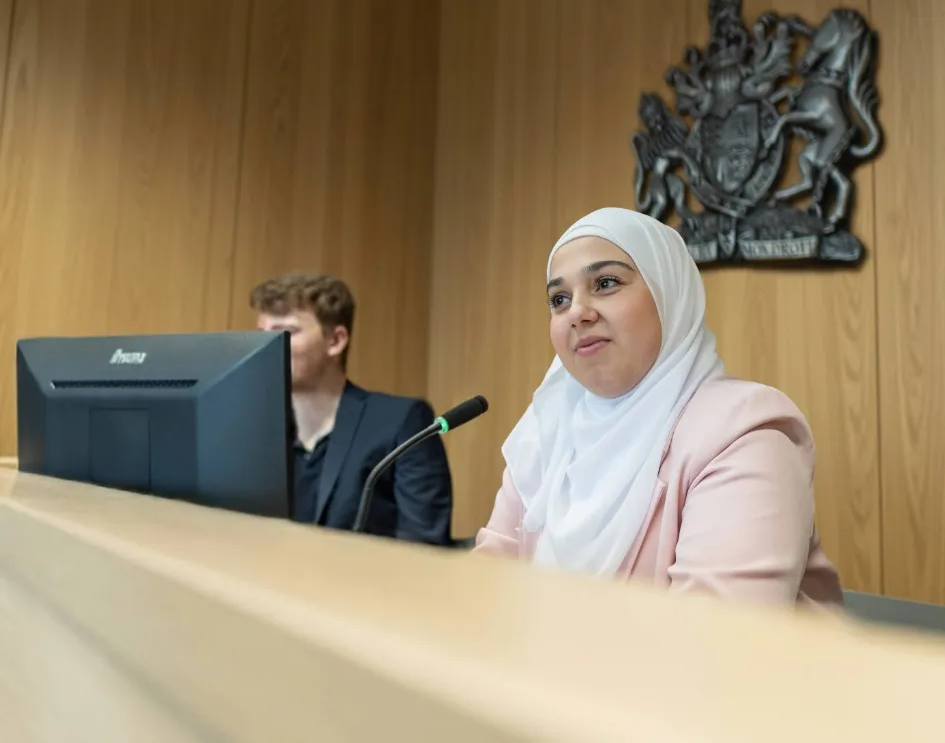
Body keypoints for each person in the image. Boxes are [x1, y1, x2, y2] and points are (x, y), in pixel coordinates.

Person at [474, 207, 842, 606]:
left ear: (669, 294)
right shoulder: (546, 435)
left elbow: (719, 644)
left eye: (606, 282)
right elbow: (486, 593)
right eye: (559, 299)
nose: (577, 312)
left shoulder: (743, 437)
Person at [251, 273, 453, 546]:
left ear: (335, 340)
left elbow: (424, 547)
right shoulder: (256, 432)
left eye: (285, 332)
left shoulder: (402, 422)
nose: (266, 346)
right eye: (261, 334)